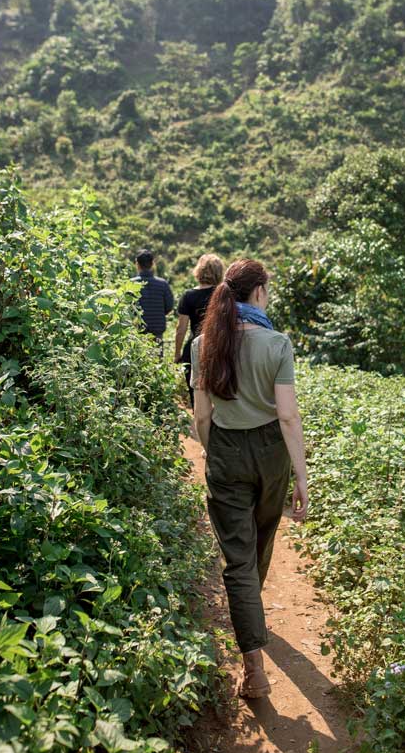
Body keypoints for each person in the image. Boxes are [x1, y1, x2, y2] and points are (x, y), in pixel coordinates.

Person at [191, 259, 309, 699]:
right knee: (261, 538)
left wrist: (213, 451)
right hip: (271, 453)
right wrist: (301, 474)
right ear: (258, 292)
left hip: (225, 447)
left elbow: (201, 416)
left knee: (236, 558)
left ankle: (254, 668)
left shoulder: (205, 343)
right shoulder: (278, 344)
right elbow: (288, 416)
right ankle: (251, 611)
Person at [174, 253, 224, 408]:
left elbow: (181, 329)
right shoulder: (223, 294)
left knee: (196, 396)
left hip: (194, 348)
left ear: (199, 271)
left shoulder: (188, 295)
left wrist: (177, 354)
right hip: (218, 347)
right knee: (219, 395)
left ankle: (200, 429)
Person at [132, 249, 174, 356]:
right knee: (156, 362)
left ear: (137, 264)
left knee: (138, 361)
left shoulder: (131, 284)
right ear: (152, 263)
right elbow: (169, 306)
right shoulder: (163, 284)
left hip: (137, 330)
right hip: (157, 329)